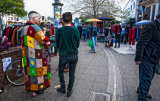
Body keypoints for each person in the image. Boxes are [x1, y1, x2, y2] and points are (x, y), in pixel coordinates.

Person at [21, 11, 51, 96]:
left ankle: (31, 89)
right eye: (38, 18)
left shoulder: (24, 28)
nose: (39, 20)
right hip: (36, 55)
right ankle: (37, 89)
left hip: (26, 55)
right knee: (38, 72)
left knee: (29, 72)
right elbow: (44, 40)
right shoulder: (35, 27)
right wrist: (49, 40)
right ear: (34, 18)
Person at [135, 12, 160, 101]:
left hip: (154, 57)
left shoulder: (157, 26)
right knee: (146, 78)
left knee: (148, 77)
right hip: (147, 57)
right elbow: (141, 43)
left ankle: (141, 90)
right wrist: (138, 58)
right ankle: (142, 97)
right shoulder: (151, 26)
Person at [56, 12, 80, 97]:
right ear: (71, 20)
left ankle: (63, 87)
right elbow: (77, 44)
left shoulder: (59, 30)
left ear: (62, 20)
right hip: (74, 55)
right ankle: (69, 90)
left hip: (63, 55)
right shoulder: (76, 30)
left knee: (61, 72)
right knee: (72, 73)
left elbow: (57, 44)